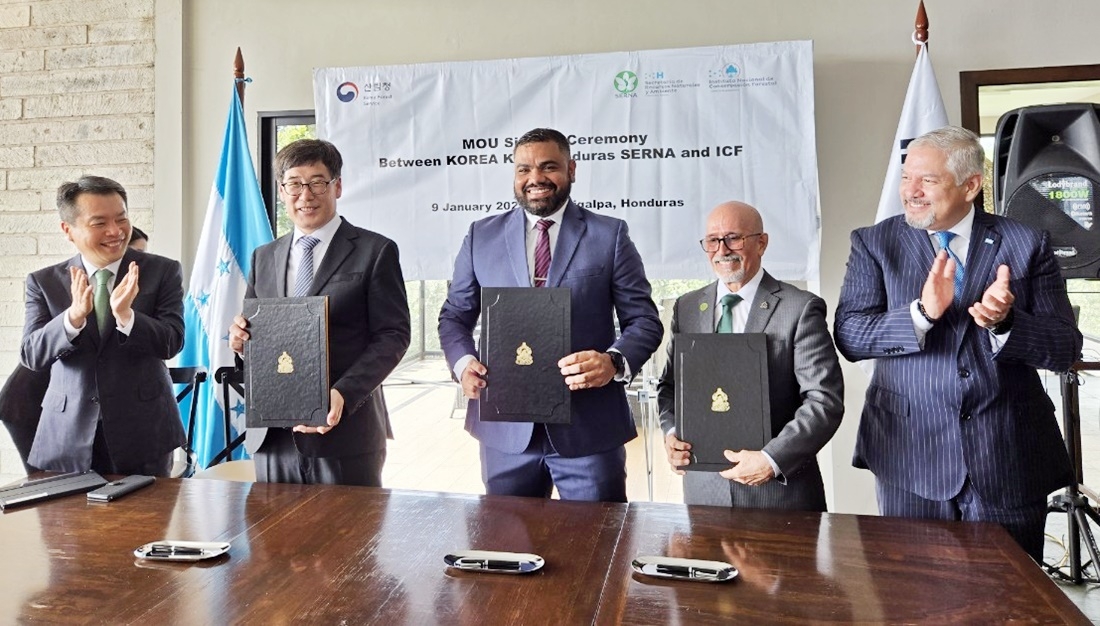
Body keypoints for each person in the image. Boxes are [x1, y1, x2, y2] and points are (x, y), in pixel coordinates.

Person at [833, 125, 1081, 561]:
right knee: (914, 601)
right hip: (910, 458)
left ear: (971, 185)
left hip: (1007, 457)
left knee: (1011, 603)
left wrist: (1006, 323)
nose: (910, 192)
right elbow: (850, 335)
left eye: (927, 180)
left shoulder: (1026, 243)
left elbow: (1064, 347)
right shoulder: (875, 244)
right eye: (906, 177)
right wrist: (921, 314)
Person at [438, 127, 663, 502]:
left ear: (571, 169)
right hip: (504, 431)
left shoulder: (610, 235)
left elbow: (643, 320)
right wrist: (462, 364)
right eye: (523, 169)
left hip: (588, 429)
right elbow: (454, 316)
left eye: (548, 167)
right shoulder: (481, 236)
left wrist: (613, 361)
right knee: (507, 551)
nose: (535, 179)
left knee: (597, 549)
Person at [229, 139, 410, 487]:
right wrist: (240, 343)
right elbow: (256, 334)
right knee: (274, 540)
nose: (305, 194)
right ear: (282, 191)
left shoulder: (375, 251)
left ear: (337, 186)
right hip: (273, 436)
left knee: (350, 539)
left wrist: (343, 393)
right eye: (294, 184)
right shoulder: (263, 257)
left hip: (345, 432)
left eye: (317, 182)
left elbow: (393, 336)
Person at [658, 201, 844, 510]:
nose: (722, 250)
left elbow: (824, 400)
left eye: (734, 238)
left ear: (762, 242)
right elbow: (669, 388)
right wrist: (673, 433)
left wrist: (772, 459)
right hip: (705, 494)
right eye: (713, 241)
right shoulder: (687, 307)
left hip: (779, 496)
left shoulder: (800, 308)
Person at [20, 175, 185, 476]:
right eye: (99, 223)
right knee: (65, 524)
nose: (115, 231)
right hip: (66, 436)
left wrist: (127, 316)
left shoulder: (162, 271)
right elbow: (31, 354)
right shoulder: (43, 282)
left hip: (143, 434)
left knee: (143, 524)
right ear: (68, 230)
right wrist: (73, 318)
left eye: (121, 219)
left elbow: (171, 342)